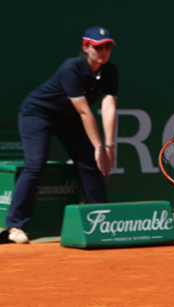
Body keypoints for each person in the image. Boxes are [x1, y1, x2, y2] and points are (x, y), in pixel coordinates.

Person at [4, 26, 119, 244]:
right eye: (98, 47)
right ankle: (15, 226)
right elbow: (85, 112)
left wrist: (110, 146)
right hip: (38, 115)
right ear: (86, 47)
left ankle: (103, 221)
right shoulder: (71, 68)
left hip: (68, 118)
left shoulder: (110, 71)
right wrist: (98, 146)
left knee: (90, 163)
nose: (103, 51)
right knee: (35, 165)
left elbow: (109, 105)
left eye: (107, 47)